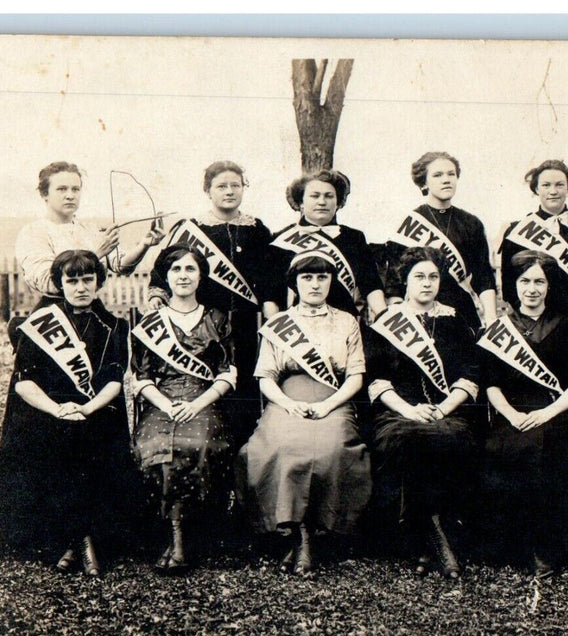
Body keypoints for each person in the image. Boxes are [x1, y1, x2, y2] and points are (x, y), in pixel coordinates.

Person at [0, 250, 135, 577]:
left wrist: (86, 408)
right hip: (48, 408)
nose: (81, 287)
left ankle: (73, 543)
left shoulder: (114, 326)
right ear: (59, 284)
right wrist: (57, 409)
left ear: (99, 282)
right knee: (50, 443)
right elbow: (24, 382)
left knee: (88, 442)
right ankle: (82, 541)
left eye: (88, 279)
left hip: (96, 407)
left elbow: (114, 381)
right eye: (72, 281)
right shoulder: (38, 325)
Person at [236, 252, 372, 577]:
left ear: (331, 282)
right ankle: (296, 533)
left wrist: (329, 404)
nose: (315, 284)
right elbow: (265, 377)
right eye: (307, 277)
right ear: (294, 283)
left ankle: (317, 531)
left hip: (333, 398)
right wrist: (287, 403)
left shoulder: (346, 321)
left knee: (332, 448)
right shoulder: (278, 324)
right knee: (279, 447)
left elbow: (355, 375)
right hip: (287, 399)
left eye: (322, 277)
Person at [366, 247, 481, 580]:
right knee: (407, 440)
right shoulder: (386, 322)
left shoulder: (454, 321)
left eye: (433, 276)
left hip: (448, 410)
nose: (427, 283)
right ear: (405, 280)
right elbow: (377, 379)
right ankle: (435, 537)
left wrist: (443, 408)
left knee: (452, 438)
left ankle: (425, 540)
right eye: (419, 276)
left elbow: (469, 374)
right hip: (399, 412)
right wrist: (410, 410)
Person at [479, 251, 568, 576]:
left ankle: (548, 547)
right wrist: (511, 415)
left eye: (539, 282)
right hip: (513, 414)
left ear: (549, 285)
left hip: (557, 412)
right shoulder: (498, 331)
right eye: (525, 281)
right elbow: (491, 384)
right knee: (506, 449)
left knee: (551, 450)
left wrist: (548, 412)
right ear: (513, 285)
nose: (532, 289)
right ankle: (514, 546)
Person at [147, 161, 277, 445]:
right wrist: (158, 294)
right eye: (221, 186)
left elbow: (270, 273)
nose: (229, 191)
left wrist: (270, 304)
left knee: (245, 383)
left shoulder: (257, 229)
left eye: (235, 185)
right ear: (208, 190)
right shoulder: (192, 228)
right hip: (206, 322)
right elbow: (164, 268)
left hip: (247, 322)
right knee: (211, 380)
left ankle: (245, 449)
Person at [132, 245, 237, 575]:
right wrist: (166, 405)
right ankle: (172, 534)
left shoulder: (217, 318)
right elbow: (141, 377)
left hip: (202, 399)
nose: (183, 276)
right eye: (175, 269)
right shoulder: (152, 322)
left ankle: (183, 537)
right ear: (165, 277)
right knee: (154, 445)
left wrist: (195, 405)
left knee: (197, 444)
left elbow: (227, 373)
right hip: (162, 399)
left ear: (201, 276)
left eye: (190, 269)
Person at [15, 161, 164, 300]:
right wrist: (96, 253)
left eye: (75, 189)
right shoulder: (33, 233)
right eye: (61, 189)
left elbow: (120, 266)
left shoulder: (89, 229)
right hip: (55, 311)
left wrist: (144, 244)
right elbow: (49, 282)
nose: (70, 196)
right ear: (44, 194)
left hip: (91, 307)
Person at [382, 151, 497, 330]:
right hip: (418, 317)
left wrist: (491, 318)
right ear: (424, 182)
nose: (446, 180)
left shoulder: (471, 223)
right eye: (438, 175)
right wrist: (399, 322)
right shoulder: (408, 223)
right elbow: (394, 283)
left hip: (462, 313)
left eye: (451, 174)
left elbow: (483, 276)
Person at [499, 159, 568, 334]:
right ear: (536, 189)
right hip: (536, 323)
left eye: (559, 185)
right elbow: (509, 286)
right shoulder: (517, 230)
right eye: (546, 185)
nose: (553, 191)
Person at [269, 169, 386, 323]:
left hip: (344, 324)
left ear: (338, 202)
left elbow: (371, 285)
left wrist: (384, 316)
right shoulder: (281, 239)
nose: (322, 202)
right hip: (296, 326)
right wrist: (275, 327)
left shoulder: (353, 238)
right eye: (314, 196)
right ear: (301, 202)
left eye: (329, 196)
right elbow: (271, 294)